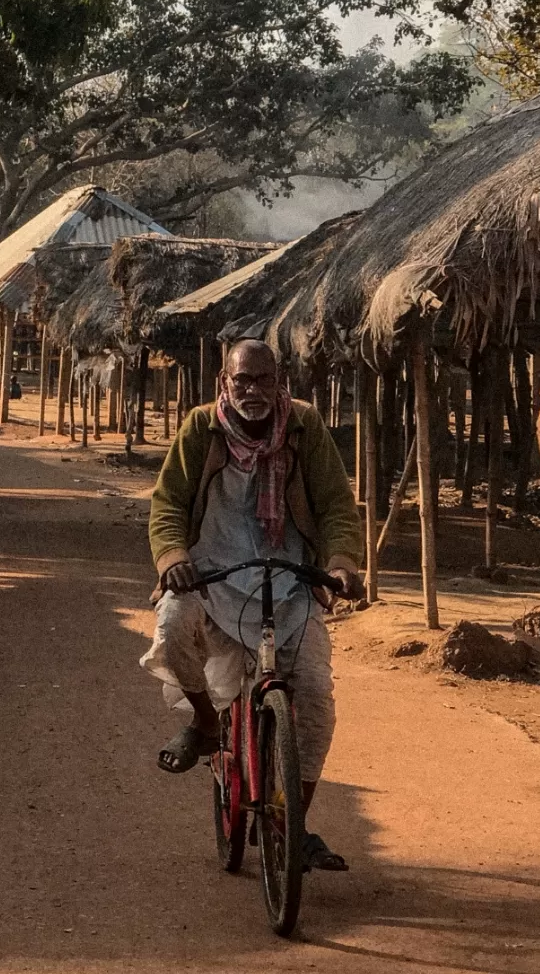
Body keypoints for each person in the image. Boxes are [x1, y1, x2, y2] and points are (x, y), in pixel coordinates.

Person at [145, 338, 362, 872]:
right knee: (171, 630)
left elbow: (336, 504)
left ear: (279, 381)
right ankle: (206, 723)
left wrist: (340, 562)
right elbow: (168, 502)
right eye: (241, 380)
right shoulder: (201, 429)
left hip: (289, 582)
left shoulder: (305, 428)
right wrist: (173, 557)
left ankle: (294, 822)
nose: (252, 391)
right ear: (225, 382)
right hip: (211, 576)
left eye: (263, 380)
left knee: (313, 699)